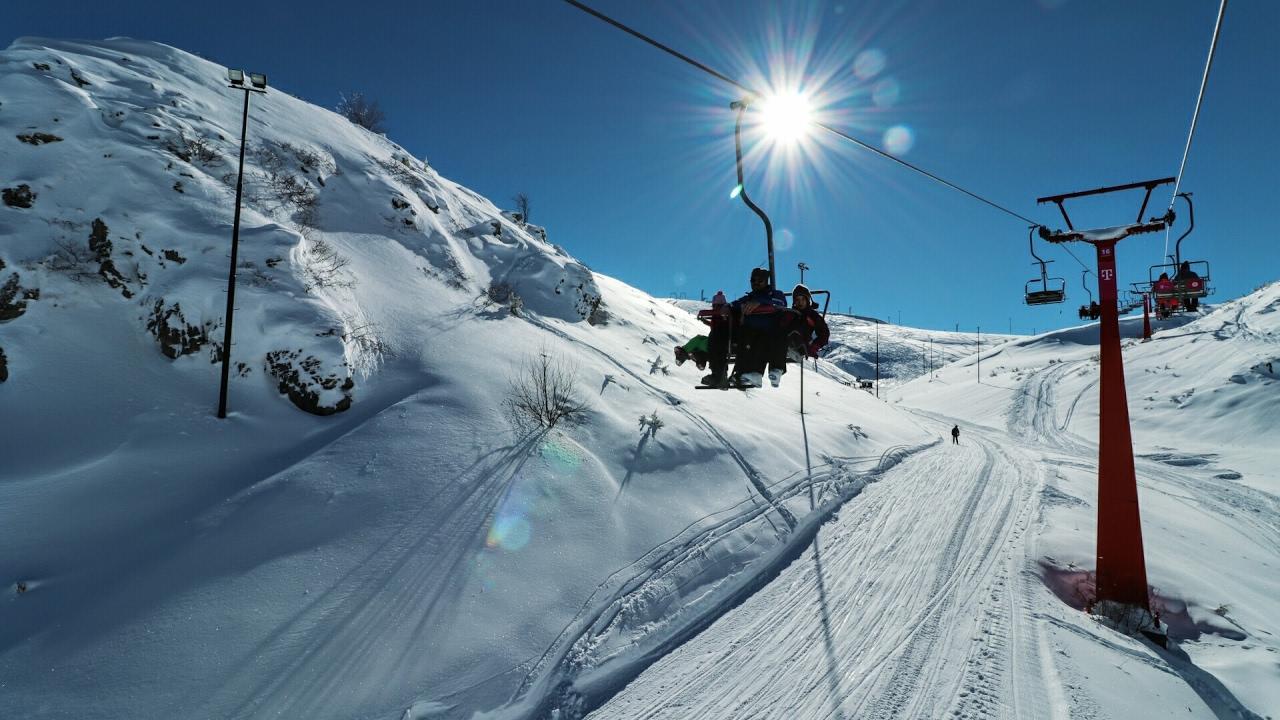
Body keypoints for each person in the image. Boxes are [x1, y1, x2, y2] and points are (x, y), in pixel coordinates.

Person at [728, 268, 787, 387]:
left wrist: (760, 302)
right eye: (753, 280)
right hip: (749, 332)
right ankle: (740, 374)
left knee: (759, 342)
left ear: (766, 282)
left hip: (768, 332)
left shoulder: (775, 294)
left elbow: (780, 302)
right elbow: (737, 303)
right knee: (744, 342)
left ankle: (756, 373)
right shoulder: (749, 297)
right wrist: (727, 306)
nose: (756, 283)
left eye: (760, 281)